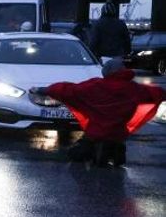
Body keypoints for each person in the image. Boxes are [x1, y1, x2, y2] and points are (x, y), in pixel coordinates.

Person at [31, 58, 165, 167]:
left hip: (96, 132)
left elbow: (68, 89)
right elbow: (156, 93)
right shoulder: (134, 89)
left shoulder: (96, 86)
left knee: (75, 155)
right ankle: (116, 151)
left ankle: (94, 153)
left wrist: (43, 90)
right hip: (118, 133)